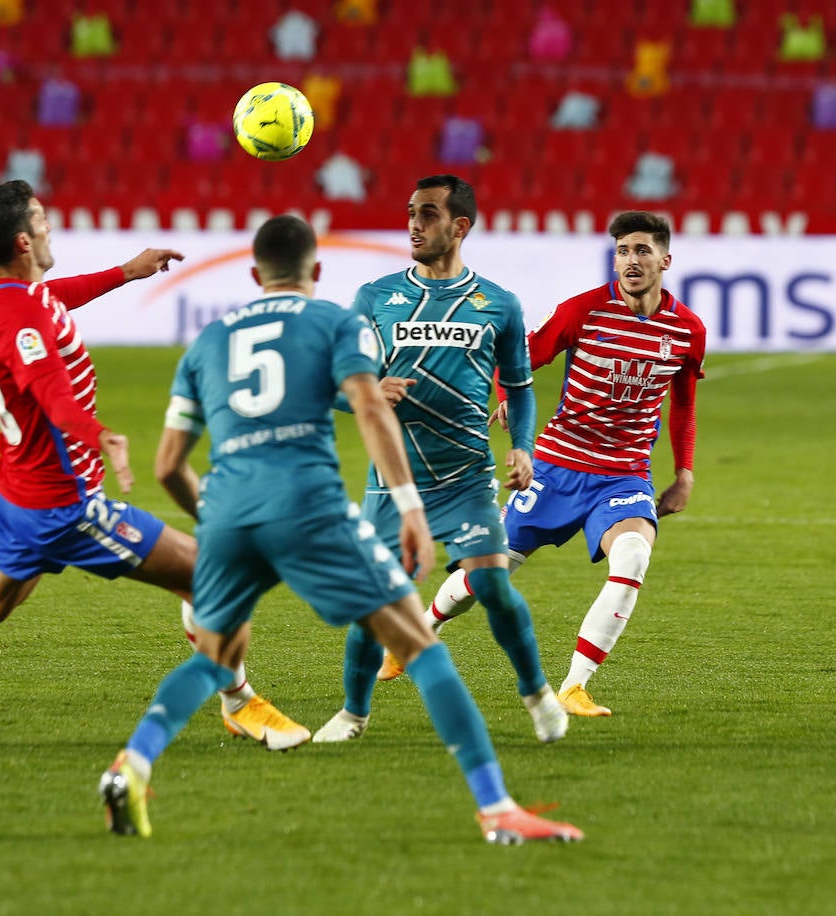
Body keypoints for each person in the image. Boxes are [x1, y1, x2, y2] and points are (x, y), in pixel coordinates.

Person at [98, 214, 582, 845]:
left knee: (215, 657)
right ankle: (496, 808)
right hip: (310, 510)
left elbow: (167, 465)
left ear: (252, 274)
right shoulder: (333, 321)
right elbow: (372, 409)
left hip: (230, 514)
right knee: (418, 645)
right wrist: (409, 507)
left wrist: (213, 519)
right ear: (316, 272)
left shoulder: (209, 339)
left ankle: (131, 764)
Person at [0, 181, 309, 750]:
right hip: (66, 505)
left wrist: (125, 271)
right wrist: (99, 435)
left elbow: (53, 299)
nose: (51, 227)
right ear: (23, 239)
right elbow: (51, 393)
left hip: (18, 493)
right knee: (208, 576)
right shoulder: (21, 321)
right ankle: (240, 704)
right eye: (43, 220)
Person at [312, 175, 568, 745]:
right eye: (410, 212)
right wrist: (367, 394)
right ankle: (353, 715)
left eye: (427, 214)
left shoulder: (498, 304)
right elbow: (331, 384)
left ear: (459, 226)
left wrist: (522, 446)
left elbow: (521, 388)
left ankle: (538, 696)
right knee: (372, 603)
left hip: (467, 479)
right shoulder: (374, 297)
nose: (413, 224)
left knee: (494, 586)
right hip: (392, 482)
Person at [423, 211, 707, 716]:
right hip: (557, 465)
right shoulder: (583, 311)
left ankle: (574, 686)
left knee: (634, 557)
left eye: (642, 250)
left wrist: (683, 471)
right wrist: (510, 395)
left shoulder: (686, 330)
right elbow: (518, 357)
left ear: (665, 260)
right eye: (622, 250)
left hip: (623, 473)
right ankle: (422, 631)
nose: (631, 260)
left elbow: (683, 403)